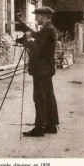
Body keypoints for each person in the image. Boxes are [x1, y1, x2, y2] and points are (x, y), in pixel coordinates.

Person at [16, 7, 59, 137]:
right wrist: (23, 25)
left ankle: (39, 129)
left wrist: (28, 41)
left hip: (41, 70)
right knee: (48, 97)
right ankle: (51, 125)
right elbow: (36, 35)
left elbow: (39, 52)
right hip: (46, 69)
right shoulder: (49, 29)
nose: (35, 18)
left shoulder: (48, 30)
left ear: (44, 16)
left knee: (39, 98)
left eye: (37, 16)